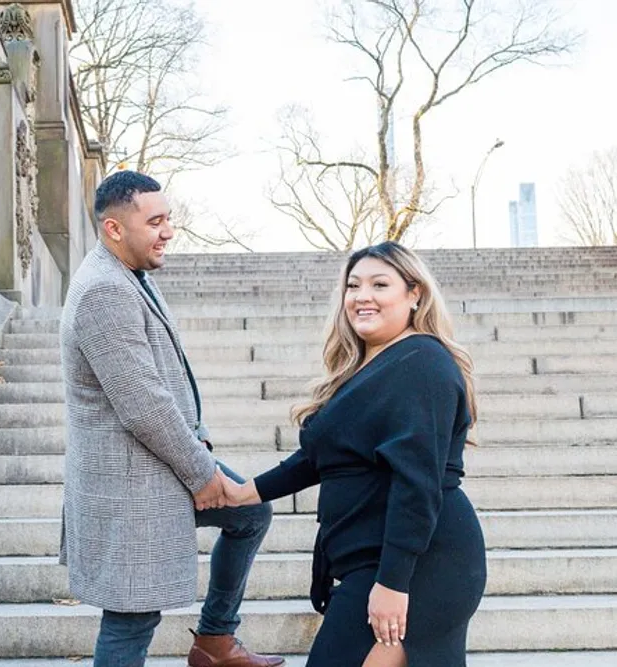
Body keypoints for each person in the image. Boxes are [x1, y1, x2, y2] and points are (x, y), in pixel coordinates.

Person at [218, 241, 487, 667]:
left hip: (418, 565)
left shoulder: (421, 362)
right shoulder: (365, 368)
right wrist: (241, 493)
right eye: (353, 285)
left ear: (414, 294)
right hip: (377, 562)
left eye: (380, 284)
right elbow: (320, 459)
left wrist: (394, 583)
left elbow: (417, 483)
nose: (363, 296)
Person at [59, 169, 285, 667]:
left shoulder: (128, 276)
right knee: (131, 617)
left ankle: (215, 641)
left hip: (153, 470)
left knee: (250, 510)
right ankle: (215, 642)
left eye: (169, 219)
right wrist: (201, 472)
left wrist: (199, 451)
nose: (168, 231)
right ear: (115, 229)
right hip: (130, 483)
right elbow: (143, 405)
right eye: (155, 221)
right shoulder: (104, 291)